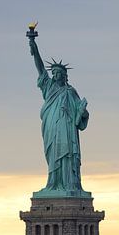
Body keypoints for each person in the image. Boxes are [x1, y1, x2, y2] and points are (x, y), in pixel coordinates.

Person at [28, 35, 90, 196]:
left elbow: (80, 113)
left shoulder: (71, 91)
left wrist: (83, 112)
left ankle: (70, 184)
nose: (55, 75)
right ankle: (53, 183)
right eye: (54, 73)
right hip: (51, 126)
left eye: (58, 73)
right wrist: (34, 47)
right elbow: (40, 68)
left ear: (64, 75)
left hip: (67, 129)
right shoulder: (48, 87)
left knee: (68, 154)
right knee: (53, 154)